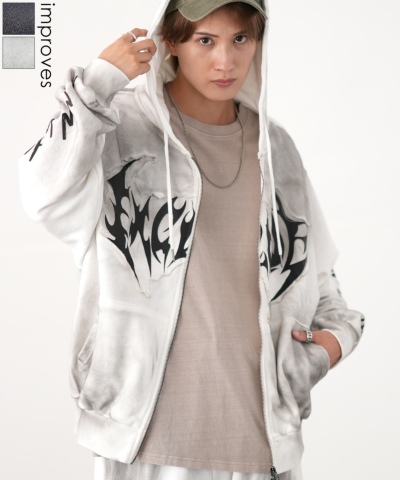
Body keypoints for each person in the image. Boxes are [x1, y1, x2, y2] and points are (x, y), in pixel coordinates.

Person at [18, 0, 364, 479]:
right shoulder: (117, 126)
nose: (226, 61)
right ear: (172, 41)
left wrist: (332, 344)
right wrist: (96, 86)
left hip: (259, 446)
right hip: (144, 442)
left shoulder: (275, 147)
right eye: (206, 40)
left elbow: (316, 274)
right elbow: (40, 193)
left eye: (240, 39)